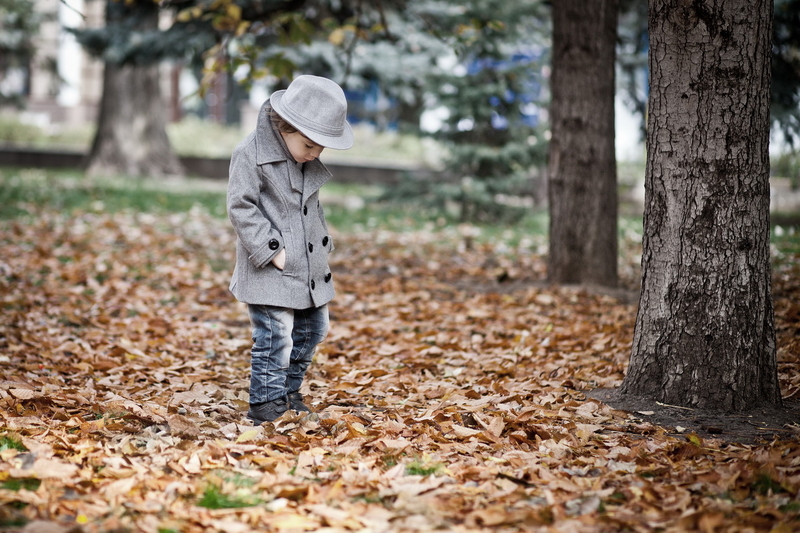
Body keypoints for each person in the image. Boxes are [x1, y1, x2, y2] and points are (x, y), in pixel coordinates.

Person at [226, 75, 354, 424]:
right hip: (271, 266)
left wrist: (321, 244)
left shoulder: (303, 159)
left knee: (314, 329)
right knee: (275, 336)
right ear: (286, 126)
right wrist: (271, 250)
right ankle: (266, 404)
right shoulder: (251, 154)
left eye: (321, 148)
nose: (315, 154)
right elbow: (241, 206)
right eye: (310, 144)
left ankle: (287, 389)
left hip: (307, 266)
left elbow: (309, 208)